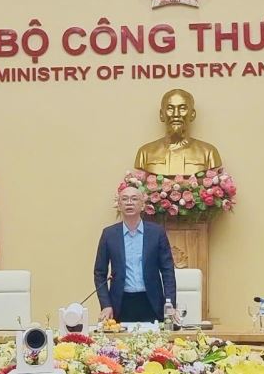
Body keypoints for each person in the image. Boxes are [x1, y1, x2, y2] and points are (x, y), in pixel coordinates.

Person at [93, 184, 177, 323]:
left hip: (152, 302)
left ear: (142, 205)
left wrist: (170, 304)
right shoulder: (109, 234)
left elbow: (167, 271)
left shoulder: (157, 232)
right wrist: (106, 304)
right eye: (125, 199)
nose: (129, 202)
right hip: (120, 303)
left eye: (134, 199)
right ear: (119, 205)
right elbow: (99, 273)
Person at [133, 88, 224, 177]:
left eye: (182, 108)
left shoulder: (208, 153)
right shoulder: (145, 153)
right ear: (161, 115)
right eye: (170, 108)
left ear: (192, 114)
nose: (176, 114)